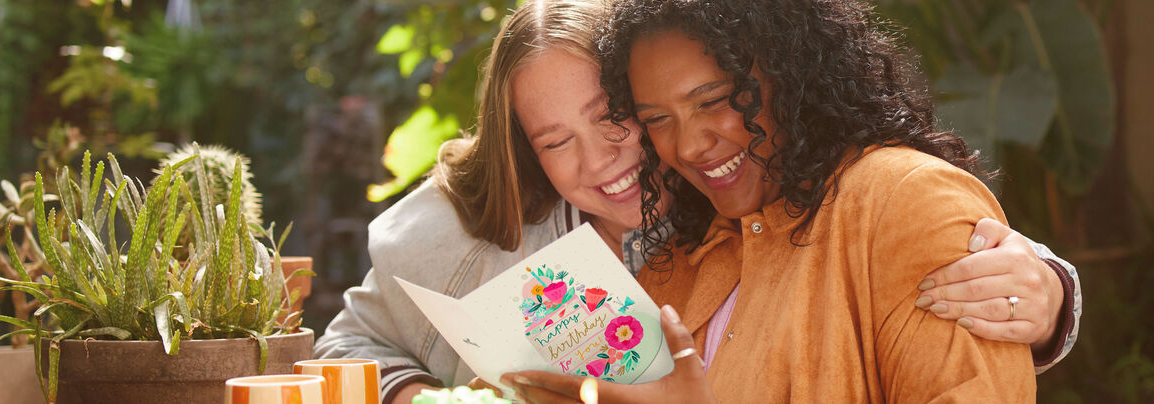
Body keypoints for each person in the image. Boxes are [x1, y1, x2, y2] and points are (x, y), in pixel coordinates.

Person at [314, 1, 1080, 402]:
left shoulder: (723, 207)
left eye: (618, 118)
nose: (605, 156)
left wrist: (1047, 288)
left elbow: (922, 226)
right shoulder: (694, 241)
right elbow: (346, 348)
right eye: (554, 140)